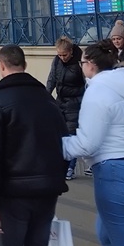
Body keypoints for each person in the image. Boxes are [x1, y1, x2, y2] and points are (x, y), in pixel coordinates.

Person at [0, 44, 69, 246]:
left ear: (0, 66)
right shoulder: (47, 99)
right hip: (47, 189)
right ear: (25, 65)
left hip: (14, 193)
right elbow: (64, 144)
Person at [63, 39, 124, 246]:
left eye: (82, 62)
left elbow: (88, 143)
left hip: (114, 176)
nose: (81, 66)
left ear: (90, 65)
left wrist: (59, 145)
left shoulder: (97, 91)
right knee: (106, 235)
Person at [45, 36, 85, 180]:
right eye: (59, 55)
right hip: (60, 102)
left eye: (65, 55)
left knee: (70, 135)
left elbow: (85, 84)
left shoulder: (80, 63)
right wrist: (46, 95)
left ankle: (70, 167)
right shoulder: (57, 61)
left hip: (75, 103)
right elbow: (52, 80)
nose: (62, 58)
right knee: (58, 134)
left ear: (71, 52)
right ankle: (59, 164)